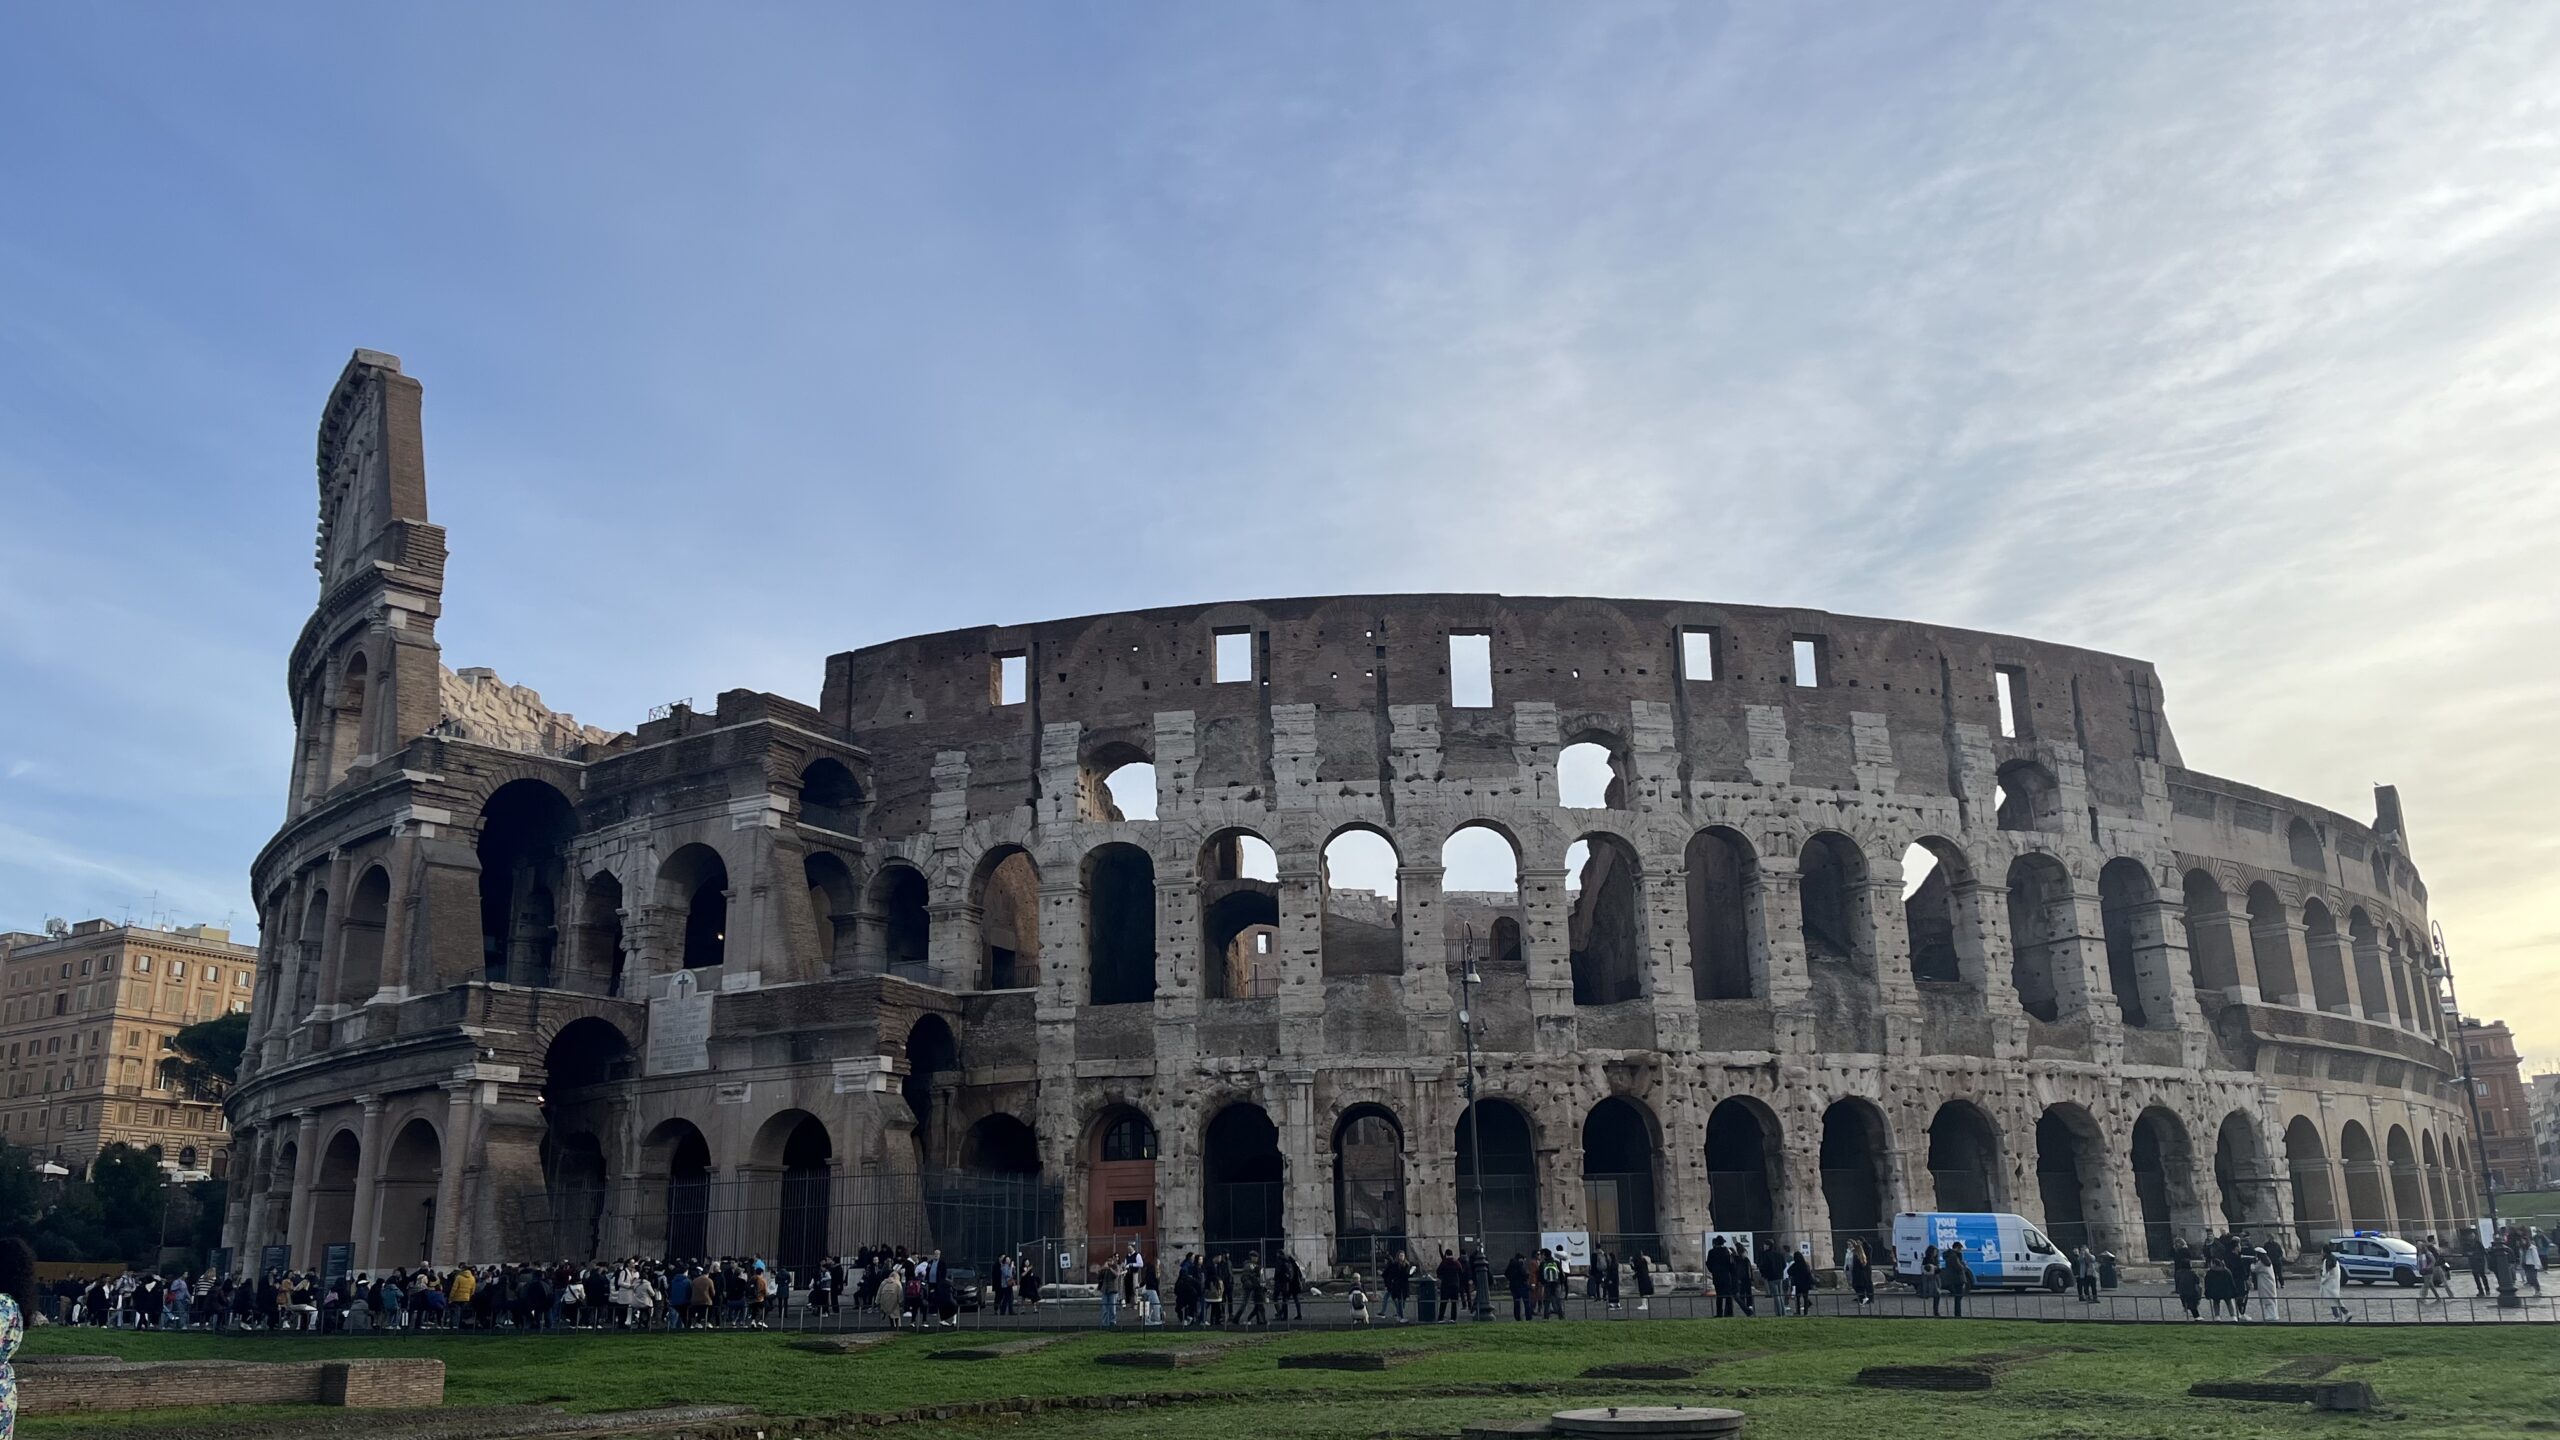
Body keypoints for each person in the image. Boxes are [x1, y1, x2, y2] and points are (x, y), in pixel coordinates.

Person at [1706, 1237, 1738, 1317]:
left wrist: (1713, 1271)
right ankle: (1729, 1313)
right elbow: (1732, 1264)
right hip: (1726, 1275)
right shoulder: (1727, 1251)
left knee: (1719, 1295)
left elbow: (1709, 1264)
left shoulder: (1711, 1252)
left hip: (1717, 1276)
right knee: (1728, 1295)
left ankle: (1719, 1313)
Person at [2319, 1246, 2351, 1322]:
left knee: (2334, 1299)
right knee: (2333, 1299)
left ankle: (2343, 1313)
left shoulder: (2327, 1260)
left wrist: (2322, 1279)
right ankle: (2338, 1315)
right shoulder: (2334, 1259)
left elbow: (2326, 1274)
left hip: (2329, 1283)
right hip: (2334, 1283)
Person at [2171, 1242, 2202, 1320]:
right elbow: (2197, 1282)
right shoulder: (2192, 1273)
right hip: (2191, 1291)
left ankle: (2187, 1309)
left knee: (2187, 1301)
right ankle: (2197, 1316)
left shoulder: (2179, 1273)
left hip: (2183, 1291)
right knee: (2193, 1304)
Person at [2251, 1246, 2282, 1323]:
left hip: (2265, 1284)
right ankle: (2272, 1314)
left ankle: (2271, 1315)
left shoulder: (2261, 1263)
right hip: (2268, 1283)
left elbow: (2253, 1269)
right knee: (2271, 1299)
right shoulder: (2267, 1262)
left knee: (2267, 1299)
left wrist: (2252, 1263)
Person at [1942, 1240, 1971, 1318]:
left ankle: (1957, 1313)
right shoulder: (1954, 1256)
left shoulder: (1949, 1255)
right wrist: (1963, 1265)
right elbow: (1959, 1267)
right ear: (1957, 1248)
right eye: (1960, 1249)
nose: (1961, 1251)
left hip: (1954, 1278)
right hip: (1958, 1278)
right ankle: (1958, 1314)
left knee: (1958, 1297)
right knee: (1958, 1297)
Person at [1845, 1240, 1875, 1309]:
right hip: (1856, 1272)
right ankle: (1862, 1298)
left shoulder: (1861, 1254)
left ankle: (1865, 1299)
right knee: (1857, 1286)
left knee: (1862, 1286)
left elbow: (1863, 1263)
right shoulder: (1854, 1254)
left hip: (1861, 1273)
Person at [1437, 1249, 1464, 1322]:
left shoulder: (1444, 1262)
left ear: (1446, 1255)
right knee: (1454, 1302)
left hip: (1445, 1285)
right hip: (1455, 1285)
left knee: (1443, 1302)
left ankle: (1441, 1318)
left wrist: (1442, 1276)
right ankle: (1453, 1318)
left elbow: (1438, 1271)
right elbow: (1461, 1272)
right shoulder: (1456, 1263)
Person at [1785, 1249, 1815, 1316]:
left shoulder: (1795, 1265)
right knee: (1805, 1297)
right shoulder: (1805, 1264)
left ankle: (1798, 1312)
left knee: (1798, 1298)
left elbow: (1789, 1271)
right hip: (1806, 1284)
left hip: (1798, 1283)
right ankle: (1805, 1312)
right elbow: (1808, 1273)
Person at [1505, 1252, 1531, 1321]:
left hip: (1513, 1286)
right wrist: (1527, 1275)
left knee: (1516, 1302)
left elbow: (1506, 1273)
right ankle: (1528, 1317)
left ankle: (1517, 1317)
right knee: (1526, 1302)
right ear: (1520, 1259)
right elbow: (1524, 1274)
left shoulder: (1510, 1264)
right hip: (1522, 1285)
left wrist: (1511, 1279)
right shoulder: (1519, 1264)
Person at [1918, 1241, 1942, 1317]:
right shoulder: (1927, 1259)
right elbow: (1926, 1269)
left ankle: (1936, 1311)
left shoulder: (1935, 1259)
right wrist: (1934, 1268)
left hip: (1935, 1278)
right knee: (1936, 1294)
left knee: (1937, 1295)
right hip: (1930, 1279)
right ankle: (1935, 1312)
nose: (1935, 1253)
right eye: (1934, 1252)